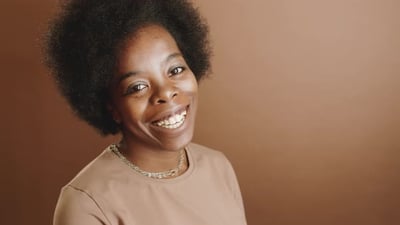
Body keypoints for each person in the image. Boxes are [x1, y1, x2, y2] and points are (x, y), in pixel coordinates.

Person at [44, 0, 247, 224]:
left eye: (176, 70)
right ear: (111, 107)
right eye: (138, 87)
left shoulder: (218, 166)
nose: (166, 92)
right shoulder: (87, 204)